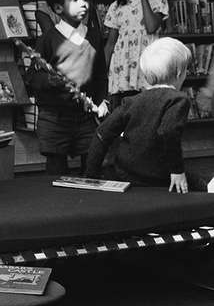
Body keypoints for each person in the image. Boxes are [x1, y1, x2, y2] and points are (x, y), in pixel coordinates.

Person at [85, 38, 205, 192]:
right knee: (200, 185)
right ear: (180, 73)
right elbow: (168, 132)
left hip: (125, 173)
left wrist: (91, 176)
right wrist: (177, 171)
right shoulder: (178, 99)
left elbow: (102, 134)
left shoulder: (131, 101)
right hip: (157, 175)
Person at [27, 0, 109, 176]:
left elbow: (100, 75)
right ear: (58, 8)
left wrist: (102, 101)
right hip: (54, 116)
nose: (83, 4)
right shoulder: (47, 40)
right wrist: (48, 80)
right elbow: (32, 77)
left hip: (86, 116)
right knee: (56, 169)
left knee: (92, 166)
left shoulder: (94, 37)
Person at [104, 0, 168, 105]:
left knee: (147, 116)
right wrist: (103, 76)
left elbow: (151, 26)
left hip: (148, 71)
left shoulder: (159, 0)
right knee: (124, 118)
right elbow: (110, 44)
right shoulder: (117, 6)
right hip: (123, 73)